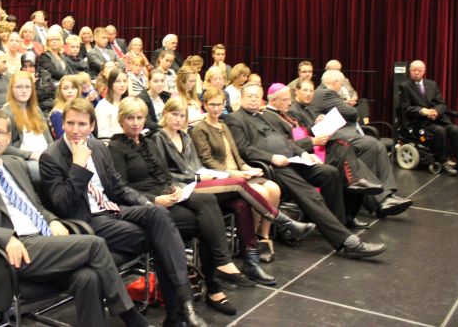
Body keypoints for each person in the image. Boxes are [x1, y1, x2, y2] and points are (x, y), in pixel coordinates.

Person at [0, 109, 151, 327]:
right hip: (13, 251)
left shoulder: (15, 164)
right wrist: (5, 238)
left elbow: (36, 206)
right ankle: (131, 317)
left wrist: (52, 220)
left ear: (8, 138)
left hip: (43, 241)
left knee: (87, 278)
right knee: (95, 245)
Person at [39, 98, 209, 327]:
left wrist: (146, 203)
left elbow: (118, 187)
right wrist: (78, 166)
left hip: (113, 209)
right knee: (161, 239)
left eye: (82, 124)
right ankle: (179, 312)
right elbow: (64, 206)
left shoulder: (98, 148)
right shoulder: (51, 157)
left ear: (91, 126)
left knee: (158, 215)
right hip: (88, 220)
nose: (75, 130)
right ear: (63, 124)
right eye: (70, 123)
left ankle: (184, 304)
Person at [147, 96, 314, 284]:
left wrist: (208, 174)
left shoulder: (184, 136)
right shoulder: (158, 138)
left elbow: (197, 165)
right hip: (182, 189)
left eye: (182, 115)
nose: (178, 119)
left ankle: (251, 262)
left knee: (241, 203)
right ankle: (283, 221)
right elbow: (163, 175)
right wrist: (198, 178)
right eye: (174, 115)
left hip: (199, 181)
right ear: (165, 114)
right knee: (238, 183)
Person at [109, 97, 244, 315]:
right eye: (130, 118)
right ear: (121, 120)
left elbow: (164, 175)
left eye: (139, 118)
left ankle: (221, 263)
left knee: (208, 201)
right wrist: (154, 199)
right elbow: (121, 189)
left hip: (167, 194)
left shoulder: (149, 142)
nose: (135, 123)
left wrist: (175, 189)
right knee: (204, 224)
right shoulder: (115, 147)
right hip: (147, 203)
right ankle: (213, 287)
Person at [226, 84, 387, 258]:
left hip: (292, 159)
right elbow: (244, 149)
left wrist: (303, 153)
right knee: (311, 194)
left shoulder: (263, 116)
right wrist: (272, 158)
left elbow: (285, 141)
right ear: (241, 98)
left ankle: (338, 226)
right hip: (271, 166)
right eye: (249, 96)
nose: (253, 100)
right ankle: (346, 241)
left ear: (262, 98)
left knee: (330, 173)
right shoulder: (234, 118)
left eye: (256, 96)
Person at [265, 83, 384, 228]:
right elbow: (286, 145)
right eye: (286, 100)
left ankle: (350, 207)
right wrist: (312, 141)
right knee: (348, 167)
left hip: (311, 150)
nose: (289, 102)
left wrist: (317, 125)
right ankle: (349, 213)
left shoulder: (290, 112)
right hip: (303, 157)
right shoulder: (271, 117)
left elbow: (303, 131)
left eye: (311, 90)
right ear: (274, 100)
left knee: (346, 152)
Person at [191, 88, 283, 255]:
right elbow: (207, 161)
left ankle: (263, 235)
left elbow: (237, 156)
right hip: (221, 176)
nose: (216, 108)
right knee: (262, 192)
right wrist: (234, 173)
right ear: (205, 105)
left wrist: (248, 168)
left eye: (219, 104)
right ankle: (250, 240)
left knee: (274, 189)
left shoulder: (224, 126)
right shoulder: (200, 129)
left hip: (238, 172)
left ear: (224, 105)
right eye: (212, 104)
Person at [309, 70, 413, 217]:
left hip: (338, 133)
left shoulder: (324, 93)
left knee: (374, 147)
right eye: (341, 83)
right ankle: (382, 199)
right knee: (372, 145)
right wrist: (346, 105)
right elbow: (351, 112)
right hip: (331, 137)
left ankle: (385, 196)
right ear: (336, 82)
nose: (341, 86)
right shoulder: (326, 92)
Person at [399, 60, 458, 177]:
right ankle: (442, 162)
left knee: (456, 129)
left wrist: (436, 112)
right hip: (419, 122)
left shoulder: (432, 84)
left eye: (419, 70)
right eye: (414, 70)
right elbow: (406, 108)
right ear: (410, 71)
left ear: (424, 71)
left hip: (436, 118)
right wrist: (423, 111)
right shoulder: (405, 86)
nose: (416, 72)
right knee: (440, 131)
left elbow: (441, 103)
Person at [2, 70, 53, 180]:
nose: (24, 91)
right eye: (19, 87)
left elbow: (49, 139)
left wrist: (52, 152)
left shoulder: (36, 109)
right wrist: (31, 155)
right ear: (11, 89)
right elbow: (4, 147)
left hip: (45, 154)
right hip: (25, 159)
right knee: (47, 171)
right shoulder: (6, 113)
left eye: (27, 87)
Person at [95, 69, 129, 138]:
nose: (122, 85)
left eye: (125, 81)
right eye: (118, 81)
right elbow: (102, 134)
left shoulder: (129, 102)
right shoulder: (103, 106)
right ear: (111, 83)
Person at [49, 74, 81, 139]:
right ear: (60, 91)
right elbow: (62, 138)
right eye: (65, 88)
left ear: (78, 90)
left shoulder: (81, 108)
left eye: (73, 88)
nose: (70, 91)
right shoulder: (57, 113)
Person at [139, 68, 170, 132]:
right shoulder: (141, 99)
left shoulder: (167, 96)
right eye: (156, 81)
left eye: (162, 81)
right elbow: (147, 123)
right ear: (149, 82)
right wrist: (165, 127)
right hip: (153, 133)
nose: (160, 84)